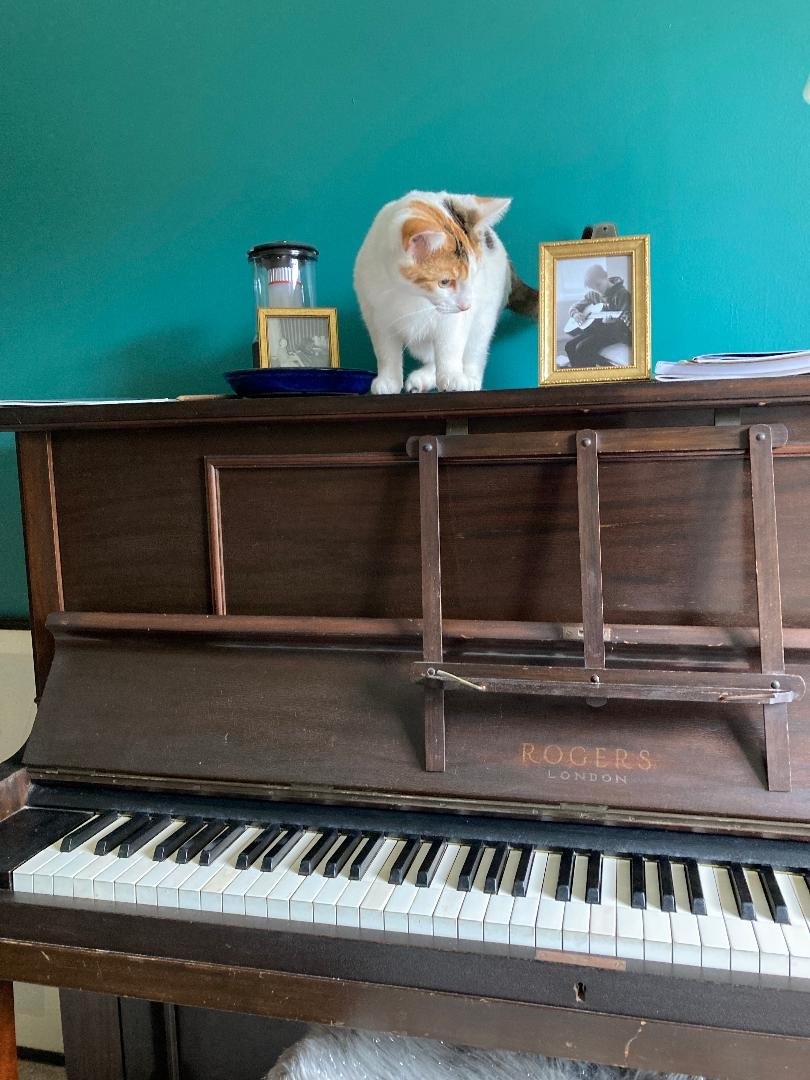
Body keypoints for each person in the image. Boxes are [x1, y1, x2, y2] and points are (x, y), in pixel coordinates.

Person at [564, 264, 632, 368]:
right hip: (597, 330)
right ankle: (579, 379)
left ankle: (590, 380)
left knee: (582, 347)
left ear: (605, 277)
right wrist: (575, 313)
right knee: (569, 346)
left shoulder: (622, 294)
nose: (597, 290)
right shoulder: (593, 294)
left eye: (598, 285)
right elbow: (574, 307)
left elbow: (627, 322)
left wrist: (615, 322)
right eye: (593, 288)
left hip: (615, 333)